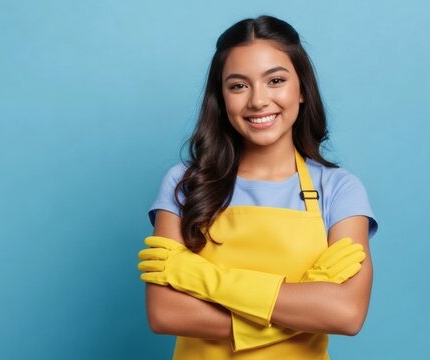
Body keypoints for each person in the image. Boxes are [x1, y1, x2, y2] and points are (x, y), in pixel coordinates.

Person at [136, 15, 378, 359]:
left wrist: (202, 278)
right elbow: (165, 313)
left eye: (275, 80)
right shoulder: (185, 183)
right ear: (221, 99)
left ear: (302, 90)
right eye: (238, 85)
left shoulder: (339, 189)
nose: (258, 100)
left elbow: (346, 314)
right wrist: (304, 308)